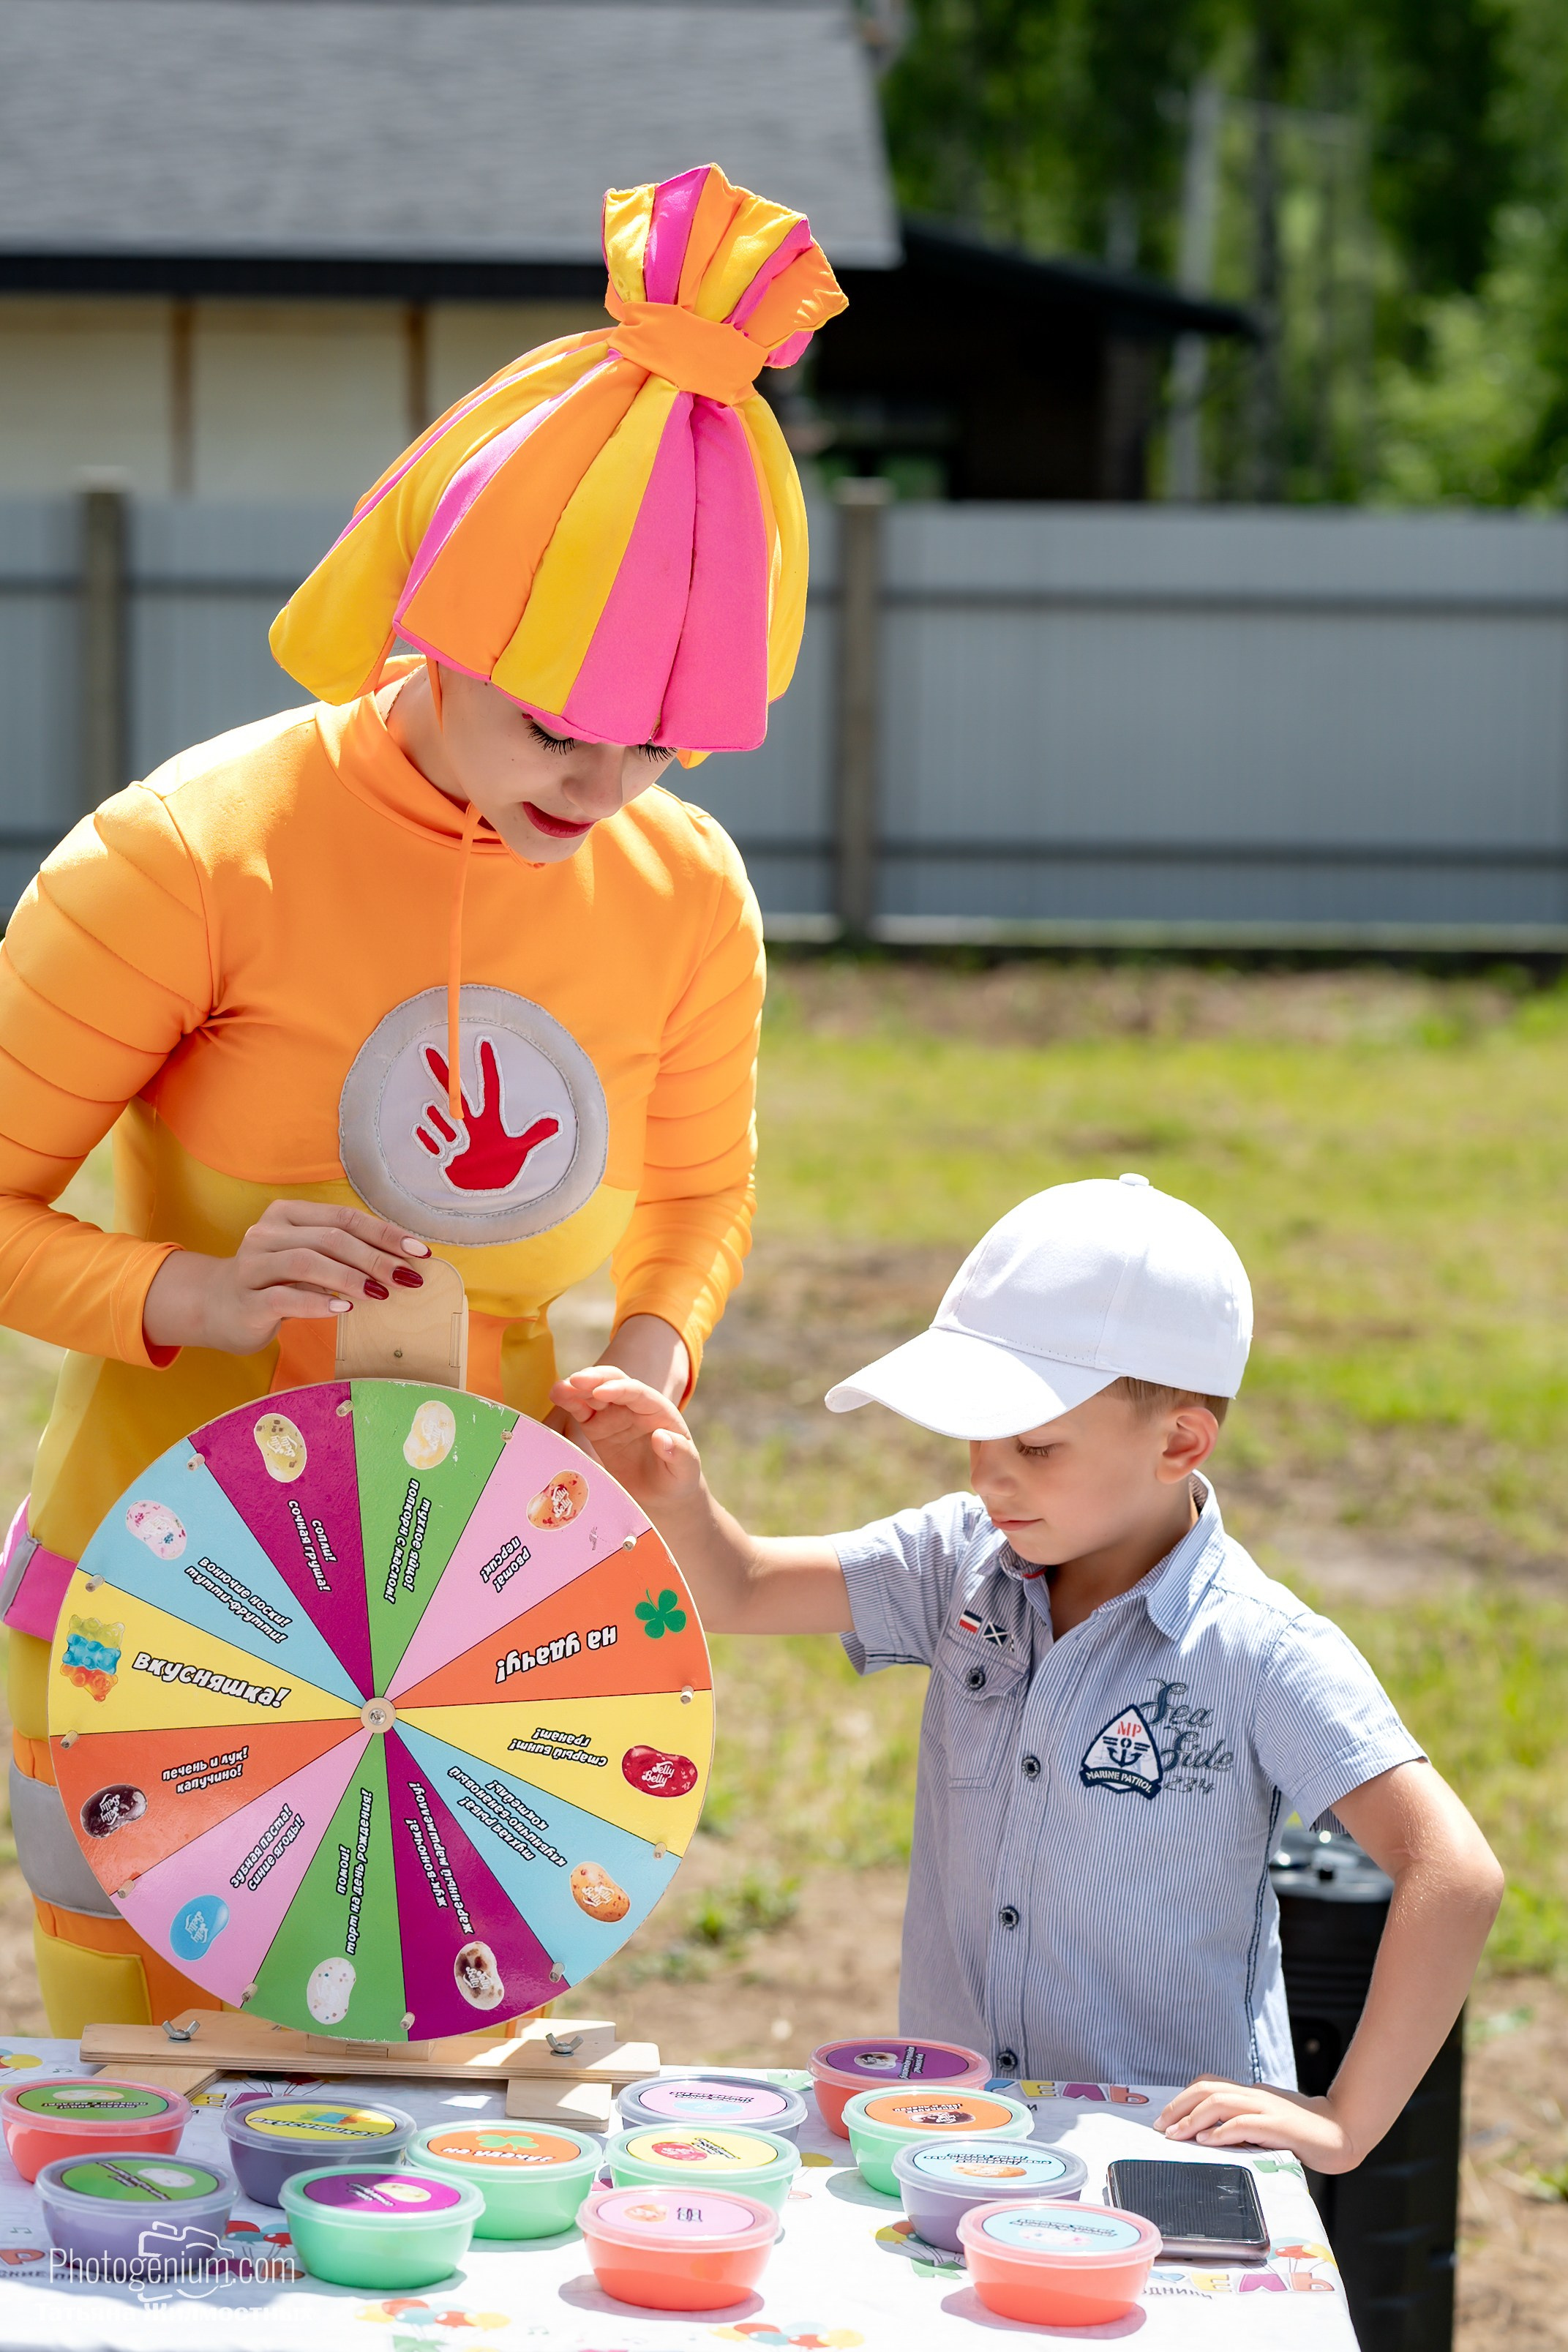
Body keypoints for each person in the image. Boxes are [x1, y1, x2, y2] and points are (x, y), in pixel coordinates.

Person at [0, 162, 847, 2032]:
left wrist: (651, 1354)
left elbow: (700, 1197)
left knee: (437, 2169)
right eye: (557, 722)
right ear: (441, 618)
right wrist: (195, 1301)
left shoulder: (687, 886)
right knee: (145, 2158)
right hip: (158, 1599)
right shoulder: (190, 854)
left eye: (659, 738)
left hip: (498, 1611)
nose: (604, 780)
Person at [554, 1174, 1504, 2173]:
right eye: (977, 1436)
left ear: (1180, 1439)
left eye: (1036, 1445)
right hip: (957, 2133)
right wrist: (678, 1496)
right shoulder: (958, 1559)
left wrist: (1345, 2119)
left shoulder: (1257, 1647)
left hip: (1170, 2159)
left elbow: (1454, 1871)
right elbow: (742, 1589)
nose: (988, 1475)